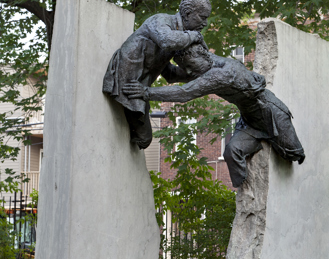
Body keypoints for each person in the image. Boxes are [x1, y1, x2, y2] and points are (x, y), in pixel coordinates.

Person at [123, 44, 305, 187]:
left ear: (201, 56)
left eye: (189, 66)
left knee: (294, 154)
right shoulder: (202, 66)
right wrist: (160, 52)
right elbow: (172, 76)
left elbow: (184, 93)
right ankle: (247, 195)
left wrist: (145, 92)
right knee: (231, 152)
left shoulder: (222, 74)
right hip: (249, 121)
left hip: (271, 113)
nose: (189, 71)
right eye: (186, 67)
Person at [103, 0, 212, 149]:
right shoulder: (161, 21)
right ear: (188, 13)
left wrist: (196, 74)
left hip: (140, 85)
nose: (205, 23)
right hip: (127, 79)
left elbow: (170, 74)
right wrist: (194, 36)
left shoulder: (179, 37)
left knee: (144, 139)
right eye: (202, 17)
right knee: (144, 138)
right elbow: (167, 41)